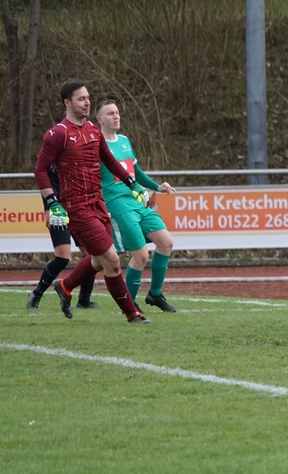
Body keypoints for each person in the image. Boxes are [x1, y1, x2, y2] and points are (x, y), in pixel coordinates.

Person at [32, 79, 150, 324]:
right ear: (68, 102)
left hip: (98, 203)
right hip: (76, 208)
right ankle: (132, 314)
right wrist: (52, 202)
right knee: (112, 259)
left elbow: (110, 161)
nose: (87, 102)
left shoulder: (94, 132)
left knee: (99, 259)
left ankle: (65, 287)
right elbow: (41, 171)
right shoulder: (57, 134)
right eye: (81, 99)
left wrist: (133, 184)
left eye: (88, 98)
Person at [94, 99, 178, 312]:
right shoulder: (96, 145)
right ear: (100, 119)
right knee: (140, 255)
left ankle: (155, 294)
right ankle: (128, 306)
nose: (116, 116)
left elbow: (136, 174)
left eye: (117, 112)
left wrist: (158, 187)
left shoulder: (124, 141)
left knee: (166, 242)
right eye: (110, 113)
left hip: (138, 202)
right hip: (117, 204)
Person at [25, 163, 98, 310]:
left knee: (92, 255)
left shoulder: (81, 158)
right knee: (63, 257)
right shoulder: (53, 158)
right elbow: (44, 180)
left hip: (79, 211)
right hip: (58, 213)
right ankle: (37, 294)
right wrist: (48, 209)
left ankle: (84, 300)